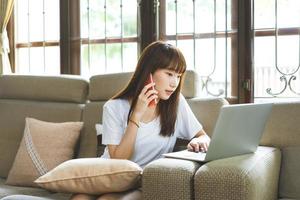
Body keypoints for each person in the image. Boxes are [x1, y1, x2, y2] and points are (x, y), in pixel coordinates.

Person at [71, 41, 211, 200]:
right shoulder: (114, 107)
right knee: (80, 198)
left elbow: (204, 136)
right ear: (148, 73)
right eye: (169, 74)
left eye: (178, 76)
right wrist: (136, 115)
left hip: (143, 180)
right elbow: (118, 160)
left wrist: (199, 141)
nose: (174, 83)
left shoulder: (176, 104)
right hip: (111, 176)